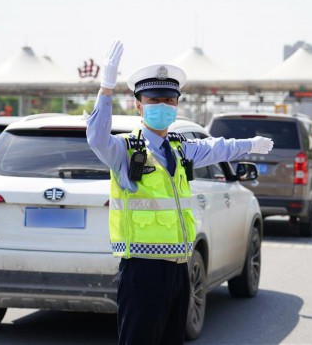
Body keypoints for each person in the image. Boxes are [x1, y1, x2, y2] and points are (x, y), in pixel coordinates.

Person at [86, 40, 273, 345]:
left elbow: (216, 148)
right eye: (154, 99)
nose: (163, 106)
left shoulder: (179, 148)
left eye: (170, 100)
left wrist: (249, 144)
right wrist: (106, 90)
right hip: (141, 271)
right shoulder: (124, 149)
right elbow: (96, 137)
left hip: (179, 268)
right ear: (138, 104)